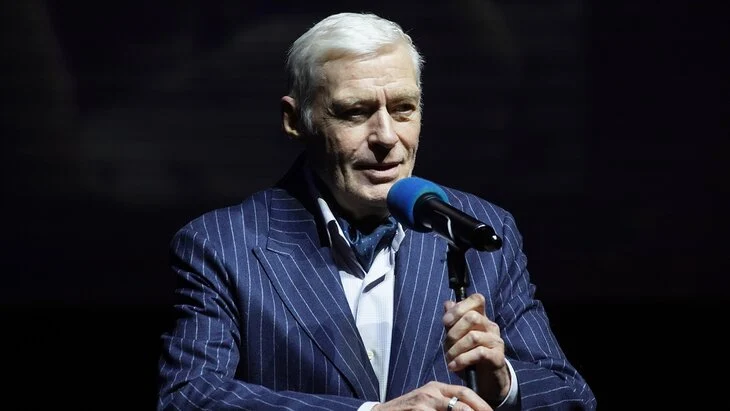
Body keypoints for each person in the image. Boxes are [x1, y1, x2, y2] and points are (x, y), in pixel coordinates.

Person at [157, 11, 596, 410]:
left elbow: (570, 394)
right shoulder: (222, 245)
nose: (386, 136)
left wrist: (503, 387)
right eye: (355, 112)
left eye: (403, 109)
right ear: (295, 120)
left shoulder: (479, 228)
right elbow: (189, 396)